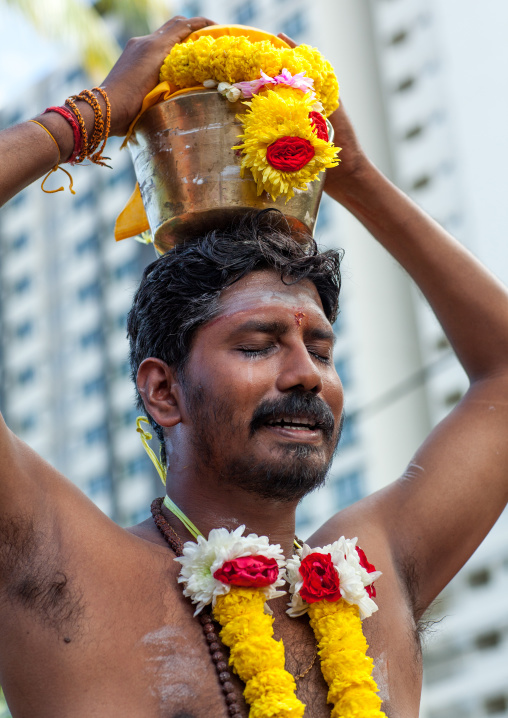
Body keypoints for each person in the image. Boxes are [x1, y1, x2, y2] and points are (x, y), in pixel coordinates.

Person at [1, 15, 508, 718]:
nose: (307, 376)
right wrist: (92, 115)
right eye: (258, 344)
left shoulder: (371, 571)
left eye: (322, 349)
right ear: (162, 390)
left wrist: (354, 176)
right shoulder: (61, 564)